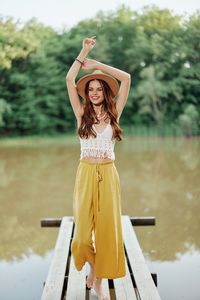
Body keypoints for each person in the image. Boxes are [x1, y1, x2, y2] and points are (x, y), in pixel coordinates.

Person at [66, 35, 131, 300]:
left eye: (99, 88)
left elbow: (126, 78)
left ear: (105, 92)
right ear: (87, 93)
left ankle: (99, 283)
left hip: (108, 174)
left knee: (106, 231)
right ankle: (92, 267)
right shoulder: (81, 114)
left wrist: (98, 66)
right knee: (81, 237)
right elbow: (70, 80)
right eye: (90, 88)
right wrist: (83, 52)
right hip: (85, 174)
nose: (94, 92)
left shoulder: (115, 112)